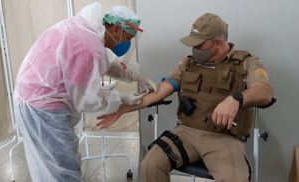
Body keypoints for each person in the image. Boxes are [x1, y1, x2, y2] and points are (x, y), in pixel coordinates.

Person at [96, 13, 273, 182]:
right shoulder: (189, 63)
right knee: (150, 165)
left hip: (224, 138)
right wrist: (122, 109)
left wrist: (236, 99)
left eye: (199, 45)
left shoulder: (246, 62)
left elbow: (264, 91)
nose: (193, 49)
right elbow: (158, 93)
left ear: (218, 43)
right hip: (186, 132)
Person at [13, 2, 157, 182]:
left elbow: (105, 62)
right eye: (128, 38)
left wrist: (136, 77)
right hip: (42, 106)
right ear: (117, 30)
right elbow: (86, 99)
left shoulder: (86, 29)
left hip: (31, 94)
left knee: (46, 165)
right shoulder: (88, 47)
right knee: (63, 167)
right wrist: (120, 98)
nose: (127, 43)